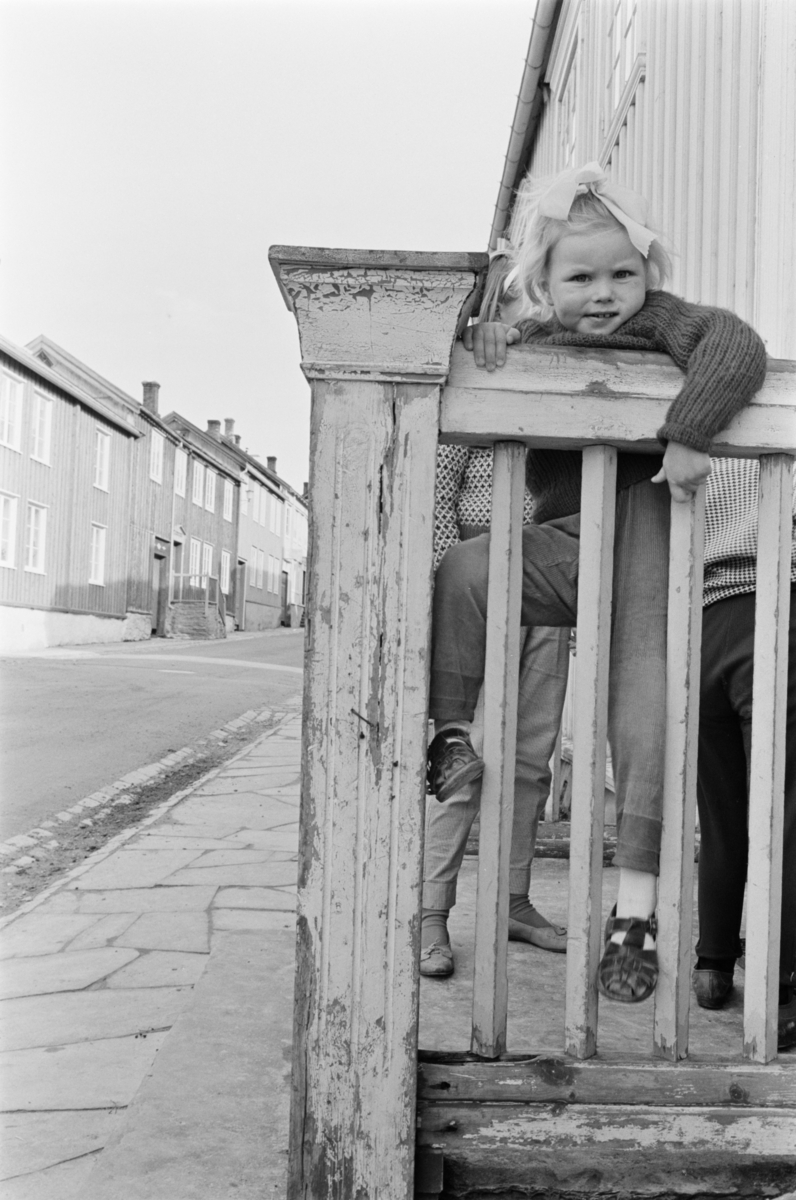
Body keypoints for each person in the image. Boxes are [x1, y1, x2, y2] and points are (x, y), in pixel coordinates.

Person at [426, 162, 767, 1004]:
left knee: (642, 717)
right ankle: (449, 735)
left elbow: (737, 346)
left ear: (649, 273)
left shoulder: (664, 325)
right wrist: (493, 344)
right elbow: (479, 359)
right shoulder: (535, 337)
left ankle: (636, 916)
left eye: (624, 272)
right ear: (542, 284)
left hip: (646, 546)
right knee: (469, 567)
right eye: (580, 277)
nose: (605, 293)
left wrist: (689, 430)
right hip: (568, 549)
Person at [420, 440, 571, 977]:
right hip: (477, 582)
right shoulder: (482, 360)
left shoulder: (561, 373)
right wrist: (449, 586)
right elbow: (435, 495)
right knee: (463, 755)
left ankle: (512, 899)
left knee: (532, 755)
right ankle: (430, 909)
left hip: (548, 586)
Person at [693, 457, 796, 1050]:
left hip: (706, 620)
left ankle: (713, 967)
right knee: (783, 812)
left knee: (723, 813)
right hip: (779, 610)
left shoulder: (700, 437)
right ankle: (776, 984)